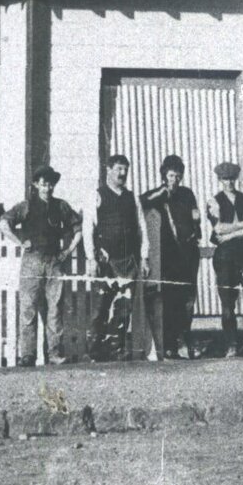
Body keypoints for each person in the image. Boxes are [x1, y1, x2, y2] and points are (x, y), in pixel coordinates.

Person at [3, 166, 83, 366]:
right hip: (32, 261)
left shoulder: (61, 206)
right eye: (44, 184)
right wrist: (20, 242)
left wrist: (68, 251)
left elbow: (77, 227)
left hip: (54, 261)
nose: (48, 188)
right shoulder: (26, 206)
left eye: (50, 184)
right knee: (28, 307)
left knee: (55, 308)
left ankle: (54, 353)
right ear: (36, 185)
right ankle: (27, 355)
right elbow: (4, 223)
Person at [86, 152, 153, 360]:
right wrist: (91, 258)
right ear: (108, 170)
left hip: (128, 260)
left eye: (125, 169)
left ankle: (117, 348)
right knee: (100, 306)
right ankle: (95, 350)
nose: (122, 173)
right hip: (105, 260)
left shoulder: (132, 197)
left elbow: (142, 228)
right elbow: (88, 228)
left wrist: (144, 257)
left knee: (124, 306)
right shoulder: (97, 196)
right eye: (118, 169)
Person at [139, 154, 202, 359]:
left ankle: (184, 340)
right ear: (164, 176)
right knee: (170, 299)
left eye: (177, 176)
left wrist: (196, 229)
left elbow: (195, 217)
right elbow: (141, 202)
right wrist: (162, 192)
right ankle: (169, 344)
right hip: (169, 256)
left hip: (188, 253)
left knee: (188, 299)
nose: (174, 180)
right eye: (171, 176)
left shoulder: (187, 194)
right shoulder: (159, 195)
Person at [206, 161, 243, 357]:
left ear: (236, 179)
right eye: (225, 179)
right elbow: (218, 228)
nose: (229, 182)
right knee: (228, 302)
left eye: (231, 179)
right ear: (220, 180)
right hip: (225, 256)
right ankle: (231, 344)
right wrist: (242, 224)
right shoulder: (214, 201)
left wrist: (231, 234)